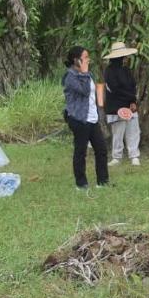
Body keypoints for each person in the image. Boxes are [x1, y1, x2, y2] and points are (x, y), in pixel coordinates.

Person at [63, 46, 109, 190]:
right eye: (85, 57)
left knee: (101, 149)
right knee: (81, 151)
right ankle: (81, 183)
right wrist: (83, 72)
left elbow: (92, 94)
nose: (88, 60)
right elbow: (83, 91)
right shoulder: (69, 76)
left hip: (92, 118)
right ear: (76, 60)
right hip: (79, 118)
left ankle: (103, 181)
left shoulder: (89, 74)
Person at [102, 41, 141, 167]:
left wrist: (132, 102)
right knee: (118, 133)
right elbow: (115, 89)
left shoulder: (126, 70)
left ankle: (134, 155)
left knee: (133, 131)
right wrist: (131, 98)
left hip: (129, 104)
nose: (122, 58)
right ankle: (116, 157)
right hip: (116, 105)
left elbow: (132, 86)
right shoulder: (108, 71)